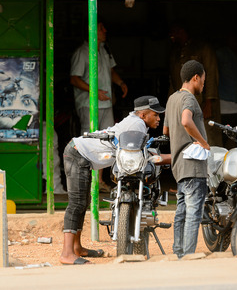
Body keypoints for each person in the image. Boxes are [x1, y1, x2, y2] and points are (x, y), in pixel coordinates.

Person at [60, 95, 166, 265]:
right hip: (77, 153)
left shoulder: (137, 123)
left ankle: (77, 248)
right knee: (77, 203)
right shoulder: (137, 125)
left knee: (83, 201)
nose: (159, 118)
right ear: (143, 115)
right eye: (156, 114)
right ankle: (66, 253)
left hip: (81, 154)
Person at [70, 18, 128, 192]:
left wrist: (120, 83)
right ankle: (86, 181)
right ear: (92, 31)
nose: (105, 30)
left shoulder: (104, 50)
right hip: (88, 104)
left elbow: (111, 71)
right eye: (101, 28)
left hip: (106, 103)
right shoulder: (82, 52)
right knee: (88, 141)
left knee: (107, 141)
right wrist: (94, 91)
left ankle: (99, 180)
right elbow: (74, 78)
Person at [163, 60, 209, 258]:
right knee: (193, 213)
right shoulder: (189, 99)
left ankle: (179, 252)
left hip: (179, 165)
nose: (203, 85)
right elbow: (185, 121)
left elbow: (166, 130)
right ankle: (188, 254)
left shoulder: (172, 99)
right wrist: (202, 142)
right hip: (193, 165)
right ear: (195, 77)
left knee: (181, 210)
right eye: (203, 81)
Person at [168, 23, 222, 147]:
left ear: (182, 31)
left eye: (175, 31)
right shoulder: (174, 52)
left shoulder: (203, 48)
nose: (171, 35)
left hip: (202, 102)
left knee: (208, 134)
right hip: (181, 101)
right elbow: (172, 80)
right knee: (186, 137)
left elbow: (212, 75)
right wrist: (170, 103)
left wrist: (209, 102)